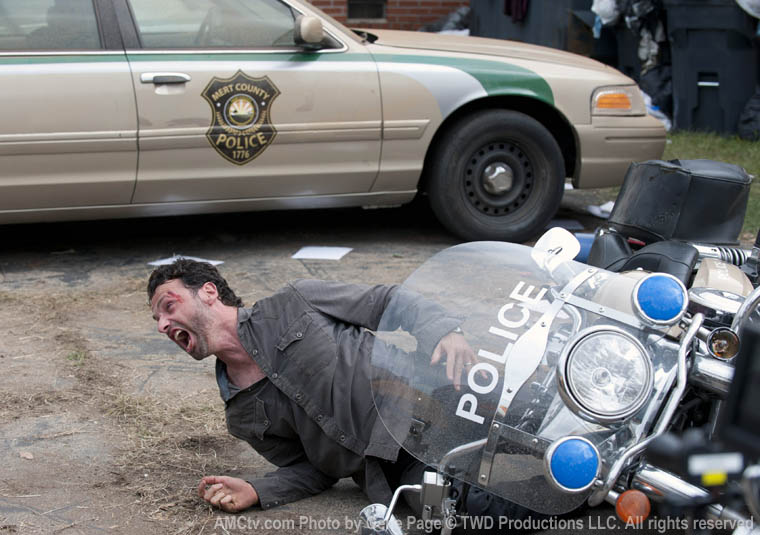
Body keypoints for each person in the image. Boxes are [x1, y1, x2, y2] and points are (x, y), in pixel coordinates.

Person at [147, 258, 479, 514]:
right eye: (157, 320)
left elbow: (384, 302)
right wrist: (257, 490)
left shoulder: (294, 301)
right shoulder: (241, 414)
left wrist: (442, 330)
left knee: (509, 422)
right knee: (462, 512)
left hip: (438, 395)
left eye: (169, 306)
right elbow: (312, 470)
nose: (162, 325)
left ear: (209, 292)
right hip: (398, 468)